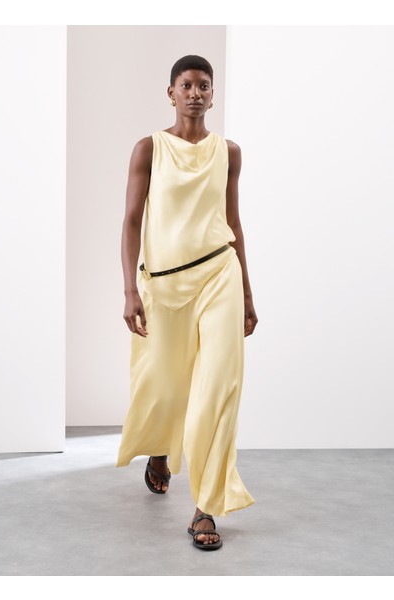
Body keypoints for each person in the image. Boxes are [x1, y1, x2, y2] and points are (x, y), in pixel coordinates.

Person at [115, 55, 258, 551]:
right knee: (162, 384)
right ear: (171, 93)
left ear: (212, 95)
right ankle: (160, 447)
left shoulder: (229, 153)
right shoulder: (148, 149)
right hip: (161, 284)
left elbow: (233, 223)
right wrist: (130, 290)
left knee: (217, 389)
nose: (195, 93)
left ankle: (206, 507)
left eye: (204, 86)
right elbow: (132, 220)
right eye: (187, 85)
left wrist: (247, 292)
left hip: (219, 273)